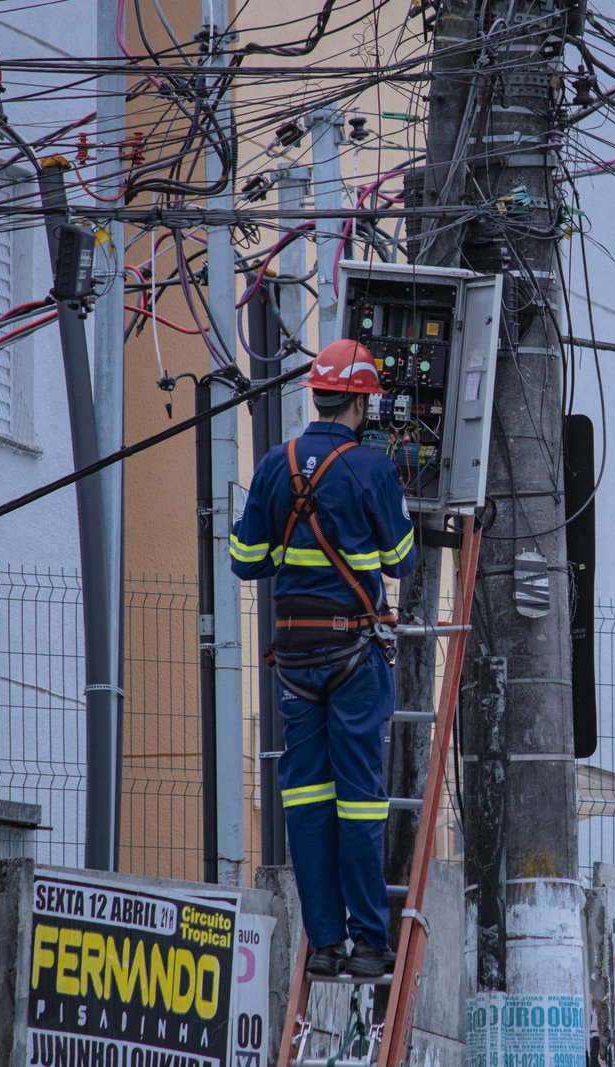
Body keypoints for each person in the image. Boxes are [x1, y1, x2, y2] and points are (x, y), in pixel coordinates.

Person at [229, 338, 417, 979]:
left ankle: (326, 946)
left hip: (295, 662)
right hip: (355, 656)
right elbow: (400, 562)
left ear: (317, 397)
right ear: (361, 402)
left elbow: (245, 560)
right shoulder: (371, 468)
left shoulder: (274, 464)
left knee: (306, 799)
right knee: (359, 801)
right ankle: (370, 944)